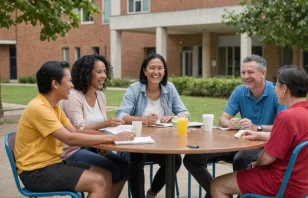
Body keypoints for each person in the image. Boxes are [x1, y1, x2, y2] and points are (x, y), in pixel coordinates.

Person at [14, 61, 135, 198]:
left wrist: (110, 133)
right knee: (99, 182)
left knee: (105, 174)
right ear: (55, 84)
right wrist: (112, 138)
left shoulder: (53, 107)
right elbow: (69, 139)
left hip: (53, 163)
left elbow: (76, 131)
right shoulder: (39, 108)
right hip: (36, 172)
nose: (72, 85)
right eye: (69, 81)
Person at [211, 65, 308, 197]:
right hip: (305, 182)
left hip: (281, 182)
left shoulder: (287, 117)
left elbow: (266, 158)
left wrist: (256, 164)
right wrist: (257, 134)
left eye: (276, 86)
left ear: (284, 88)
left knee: (217, 185)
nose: (275, 90)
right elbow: (291, 139)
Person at [183, 54, 286, 198]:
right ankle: (218, 191)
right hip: (238, 141)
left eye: (250, 72)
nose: (245, 76)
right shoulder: (240, 91)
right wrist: (229, 123)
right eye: (243, 72)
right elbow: (222, 119)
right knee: (192, 158)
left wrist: (257, 127)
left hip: (263, 145)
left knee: (241, 158)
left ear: (263, 73)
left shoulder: (277, 93)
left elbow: (282, 128)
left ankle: (226, 192)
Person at [116, 53, 190, 198]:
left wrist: (173, 117)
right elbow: (120, 115)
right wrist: (143, 120)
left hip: (160, 143)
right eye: (152, 68)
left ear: (164, 71)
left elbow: (185, 113)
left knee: (175, 160)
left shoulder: (170, 88)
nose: (156, 72)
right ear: (144, 71)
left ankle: (152, 193)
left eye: (160, 68)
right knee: (136, 159)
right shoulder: (135, 89)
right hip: (136, 142)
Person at [59, 54, 130, 197]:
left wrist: (105, 135)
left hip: (96, 145)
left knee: (124, 167)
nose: (103, 76)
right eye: (99, 72)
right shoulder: (73, 96)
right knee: (111, 169)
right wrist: (106, 124)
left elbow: (102, 128)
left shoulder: (100, 96)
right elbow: (78, 131)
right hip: (74, 149)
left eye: (105, 72)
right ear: (86, 74)